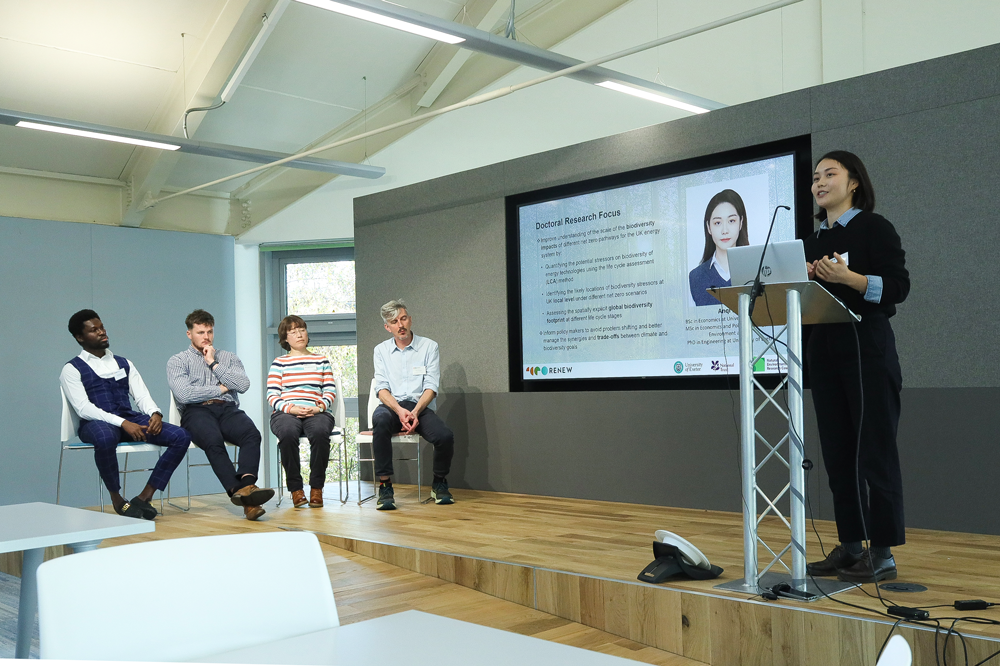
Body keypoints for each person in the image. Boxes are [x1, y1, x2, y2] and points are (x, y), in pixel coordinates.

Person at [802, 151, 909, 583]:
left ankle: (881, 554)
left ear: (854, 184)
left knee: (874, 452)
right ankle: (850, 546)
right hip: (824, 353)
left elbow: (899, 287)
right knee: (838, 454)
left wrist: (851, 279)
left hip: (867, 349)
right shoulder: (809, 242)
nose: (820, 182)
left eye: (830, 174)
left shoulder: (874, 227)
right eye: (815, 177)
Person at [60, 310, 189, 520]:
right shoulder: (72, 369)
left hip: (128, 418)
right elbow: (84, 408)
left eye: (101, 327)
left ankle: (145, 497)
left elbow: (141, 395)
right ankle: (117, 499)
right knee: (106, 437)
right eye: (94, 330)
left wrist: (155, 413)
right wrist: (123, 423)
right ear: (80, 338)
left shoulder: (124, 362)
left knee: (181, 436)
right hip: (96, 423)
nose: (102, 332)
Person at [166, 309, 274, 520]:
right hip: (196, 412)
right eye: (200, 332)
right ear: (189, 334)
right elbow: (185, 394)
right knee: (212, 439)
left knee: (252, 434)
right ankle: (240, 492)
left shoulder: (228, 358)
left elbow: (243, 385)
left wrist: (213, 363)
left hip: (227, 409)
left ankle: (247, 486)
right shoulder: (178, 361)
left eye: (209, 332)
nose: (206, 337)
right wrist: (221, 389)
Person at [371, 299, 455, 510]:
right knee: (379, 421)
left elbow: (431, 386)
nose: (400, 325)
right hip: (393, 407)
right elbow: (381, 389)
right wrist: (399, 411)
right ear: (387, 327)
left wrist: (415, 412)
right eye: (394, 321)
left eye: (403, 318)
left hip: (420, 406)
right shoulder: (380, 351)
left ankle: (439, 482)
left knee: (445, 436)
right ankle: (385, 486)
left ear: (410, 319)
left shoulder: (429, 346)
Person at [267, 315, 337, 509]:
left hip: (317, 411)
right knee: (288, 434)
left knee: (320, 433)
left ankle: (316, 488)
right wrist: (292, 408)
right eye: (293, 331)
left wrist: (318, 407)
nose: (299, 334)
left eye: (302, 330)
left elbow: (330, 391)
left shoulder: (321, 360)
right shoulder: (279, 363)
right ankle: (296, 489)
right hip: (286, 412)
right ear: (285, 338)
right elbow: (272, 395)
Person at [688, 189, 750, 306]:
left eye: (731, 221)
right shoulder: (696, 277)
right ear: (709, 227)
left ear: (741, 223)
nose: (725, 230)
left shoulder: (756, 271)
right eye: (717, 223)